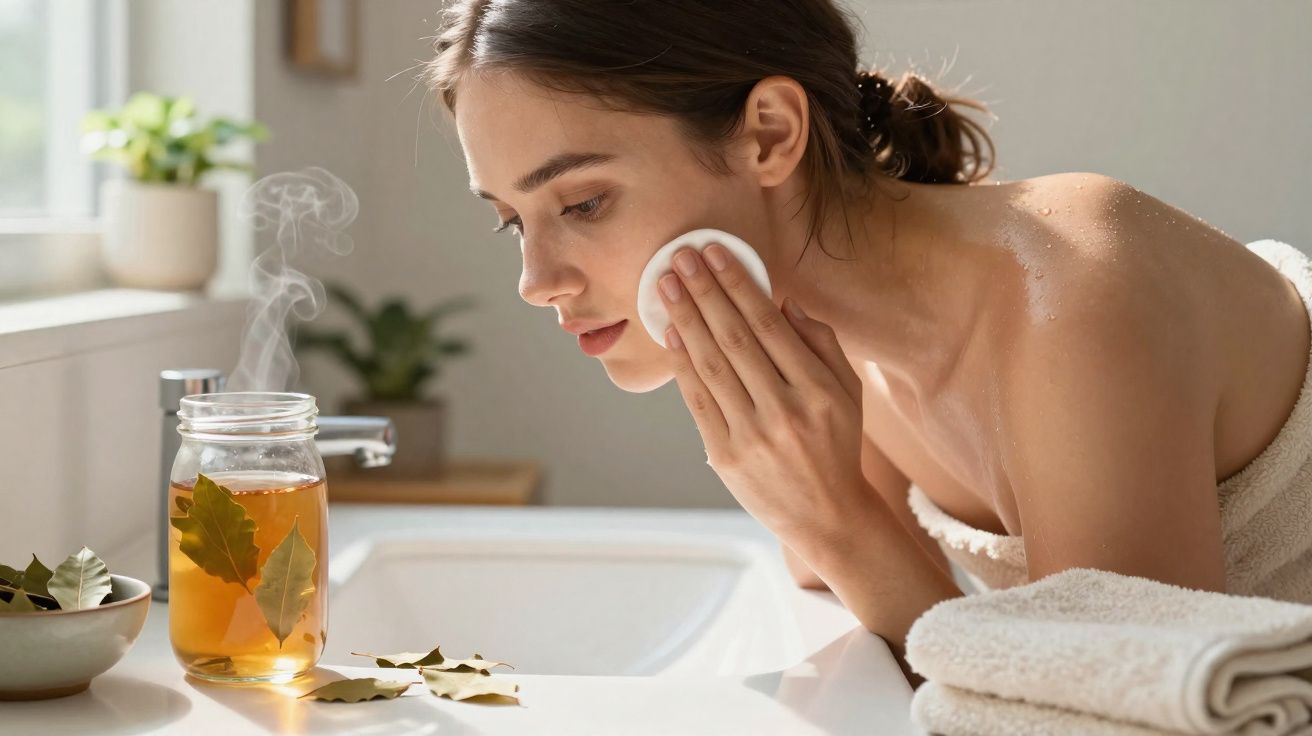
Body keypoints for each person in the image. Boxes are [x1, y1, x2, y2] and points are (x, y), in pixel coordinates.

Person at [423, 0, 1312, 686]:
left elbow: (1121, 714)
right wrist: (799, 479)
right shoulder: (839, 333)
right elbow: (829, 587)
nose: (537, 281)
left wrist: (836, 516)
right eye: (513, 222)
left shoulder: (1075, 300)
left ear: (770, 133)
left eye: (580, 204)